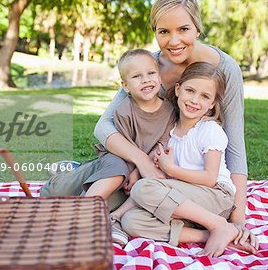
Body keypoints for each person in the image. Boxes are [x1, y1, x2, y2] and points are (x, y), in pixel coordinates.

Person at [93, 0, 258, 251]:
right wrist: (141, 162)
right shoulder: (149, 68)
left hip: (186, 182)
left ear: (197, 28)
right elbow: (103, 126)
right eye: (163, 32)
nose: (174, 41)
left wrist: (239, 220)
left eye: (183, 29)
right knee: (129, 216)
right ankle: (207, 232)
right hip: (158, 172)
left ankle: (221, 225)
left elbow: (235, 146)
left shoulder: (224, 70)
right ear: (155, 32)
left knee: (141, 193)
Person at [39, 49, 176, 241]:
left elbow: (162, 143)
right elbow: (122, 146)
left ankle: (109, 219)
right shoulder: (124, 110)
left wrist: (138, 172)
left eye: (151, 73)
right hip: (118, 158)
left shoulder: (169, 111)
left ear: (160, 78)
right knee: (54, 193)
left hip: (144, 166)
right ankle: (82, 209)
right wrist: (133, 169)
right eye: (137, 76)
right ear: (125, 86)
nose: (146, 80)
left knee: (139, 187)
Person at [118, 62, 240, 257]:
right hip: (186, 204)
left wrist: (171, 170)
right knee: (132, 221)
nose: (194, 100)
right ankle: (207, 234)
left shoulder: (209, 130)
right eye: (190, 91)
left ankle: (219, 224)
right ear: (177, 89)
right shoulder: (171, 130)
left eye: (205, 96)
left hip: (216, 197)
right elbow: (153, 160)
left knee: (143, 188)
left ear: (213, 103)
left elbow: (210, 178)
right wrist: (135, 171)